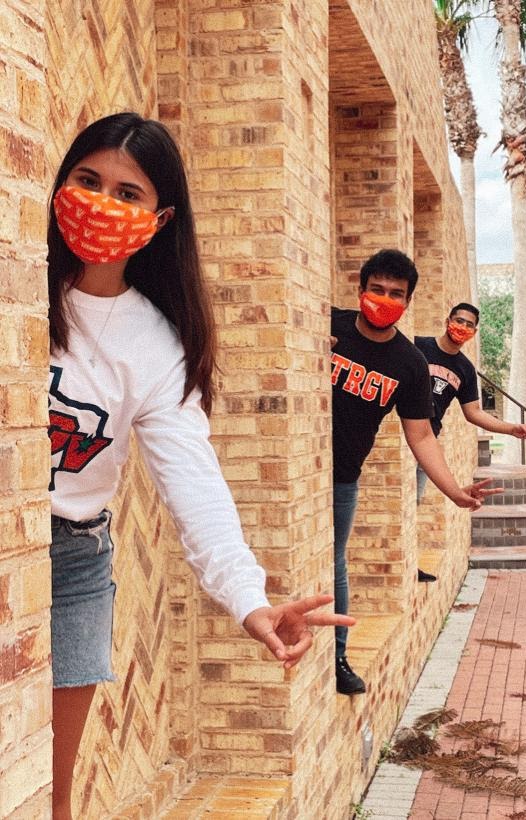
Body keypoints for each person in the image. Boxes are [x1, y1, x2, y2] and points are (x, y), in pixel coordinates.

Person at [46, 113, 355, 820]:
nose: (102, 203)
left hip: (71, 564)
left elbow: (196, 489)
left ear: (158, 220)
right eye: (88, 181)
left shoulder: (157, 346)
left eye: (128, 194)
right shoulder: (17, 287)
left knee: (47, 794)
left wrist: (250, 599)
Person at [330, 250, 501, 696]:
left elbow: (422, 436)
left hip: (342, 477)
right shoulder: (329, 326)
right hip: (295, 470)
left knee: (335, 561)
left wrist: (453, 492)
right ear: (360, 288)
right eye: (377, 290)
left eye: (396, 294)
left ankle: (338, 656)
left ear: (407, 302)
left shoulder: (409, 363)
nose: (384, 300)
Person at [413, 302, 526, 582]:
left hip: (428, 442)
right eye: (458, 320)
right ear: (448, 320)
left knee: (413, 503)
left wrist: (512, 429)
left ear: (474, 330)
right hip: (404, 437)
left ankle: (409, 563)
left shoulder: (464, 369)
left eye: (469, 324)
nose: (462, 327)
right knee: (401, 501)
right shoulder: (418, 346)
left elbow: (473, 413)